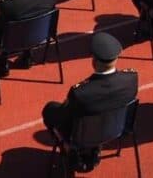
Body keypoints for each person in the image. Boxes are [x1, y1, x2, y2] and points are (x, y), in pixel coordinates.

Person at [42, 32, 138, 172]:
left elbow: (64, 117)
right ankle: (95, 148)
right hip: (117, 128)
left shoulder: (80, 93)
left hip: (82, 136)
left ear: (94, 61)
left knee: (50, 110)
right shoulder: (131, 79)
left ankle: (70, 150)